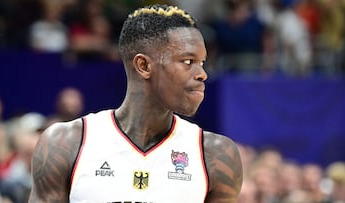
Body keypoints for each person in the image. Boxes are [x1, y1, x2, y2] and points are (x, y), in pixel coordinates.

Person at [28, 4, 243, 203]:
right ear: (143, 66)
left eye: (202, 62)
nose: (202, 74)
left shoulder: (216, 155)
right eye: (188, 62)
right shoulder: (65, 143)